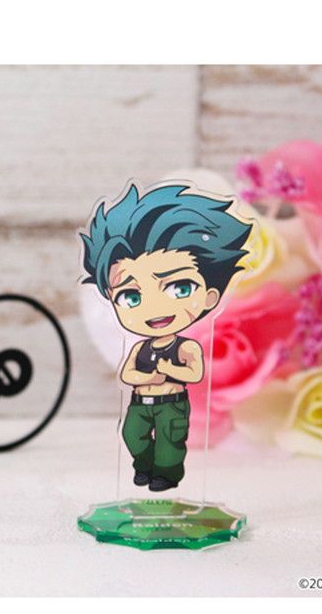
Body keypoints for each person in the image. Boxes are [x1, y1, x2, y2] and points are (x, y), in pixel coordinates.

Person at [80, 182, 251, 491]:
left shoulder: (186, 347)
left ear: (210, 296)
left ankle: (166, 475)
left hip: (171, 404)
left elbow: (195, 373)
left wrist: (169, 370)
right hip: (140, 402)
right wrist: (146, 376)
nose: (154, 308)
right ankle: (143, 465)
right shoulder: (140, 348)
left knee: (169, 442)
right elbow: (128, 373)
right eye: (131, 296)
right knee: (132, 435)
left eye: (179, 288)